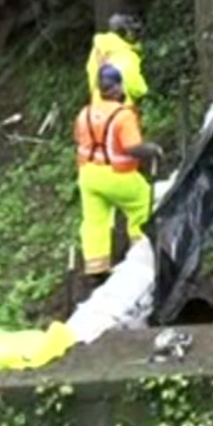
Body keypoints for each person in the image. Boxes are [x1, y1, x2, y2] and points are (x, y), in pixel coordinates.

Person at [75, 64, 162, 278]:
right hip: (117, 174)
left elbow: (79, 139)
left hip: (88, 175)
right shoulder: (123, 115)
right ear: (116, 87)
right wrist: (152, 150)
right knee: (142, 203)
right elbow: (131, 147)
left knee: (95, 221)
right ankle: (142, 251)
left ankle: (96, 267)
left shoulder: (85, 113)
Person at [85, 13, 148, 107]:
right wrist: (144, 91)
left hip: (97, 106)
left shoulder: (98, 49)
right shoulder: (126, 53)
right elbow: (134, 84)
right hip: (120, 107)